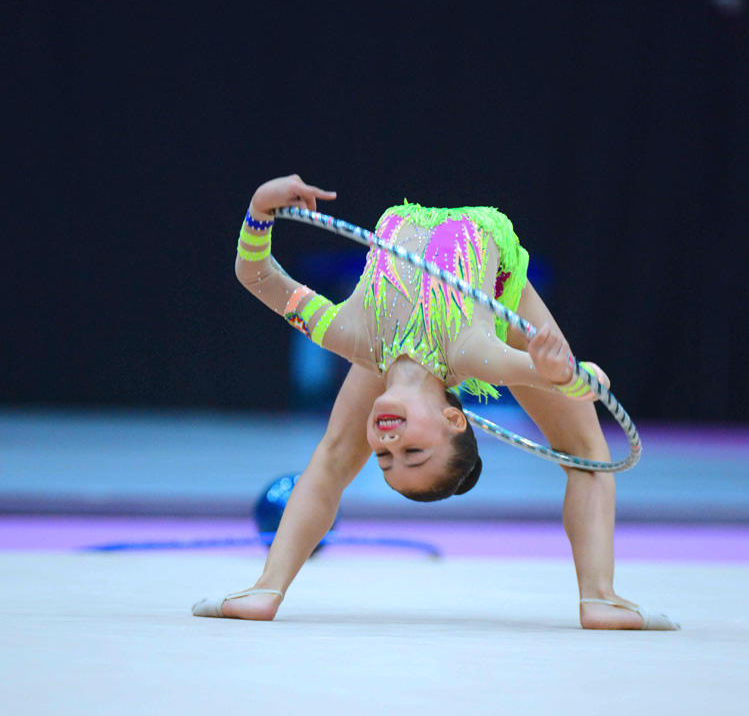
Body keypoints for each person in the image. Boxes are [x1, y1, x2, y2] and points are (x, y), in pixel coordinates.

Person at [192, 174, 679, 631]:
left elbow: (255, 274)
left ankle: (267, 588)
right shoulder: (477, 351)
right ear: (453, 418)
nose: (388, 444)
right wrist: (564, 375)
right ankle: (599, 597)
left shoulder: (349, 335)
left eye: (384, 458)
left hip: (384, 344)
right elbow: (594, 382)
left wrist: (259, 209)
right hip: (498, 292)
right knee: (587, 451)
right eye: (413, 452)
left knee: (335, 454)